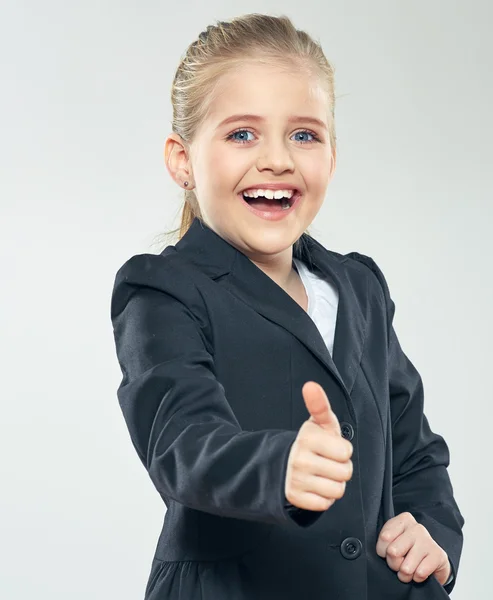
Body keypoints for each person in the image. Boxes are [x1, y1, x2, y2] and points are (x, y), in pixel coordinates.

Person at [110, 13, 464, 600]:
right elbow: (182, 443)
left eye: (304, 135)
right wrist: (280, 467)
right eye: (242, 134)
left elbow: (415, 451)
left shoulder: (360, 288)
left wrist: (433, 531)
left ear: (332, 155)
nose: (276, 159)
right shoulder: (162, 290)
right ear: (182, 160)